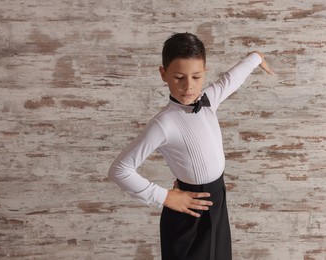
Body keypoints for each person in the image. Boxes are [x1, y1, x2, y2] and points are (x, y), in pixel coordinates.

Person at [108, 32, 273, 260]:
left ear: (204, 72)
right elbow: (119, 169)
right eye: (178, 77)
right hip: (189, 212)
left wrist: (255, 58)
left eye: (196, 77)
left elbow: (231, 79)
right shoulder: (164, 123)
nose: (188, 86)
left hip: (217, 202)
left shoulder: (208, 100)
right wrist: (165, 197)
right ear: (163, 74)